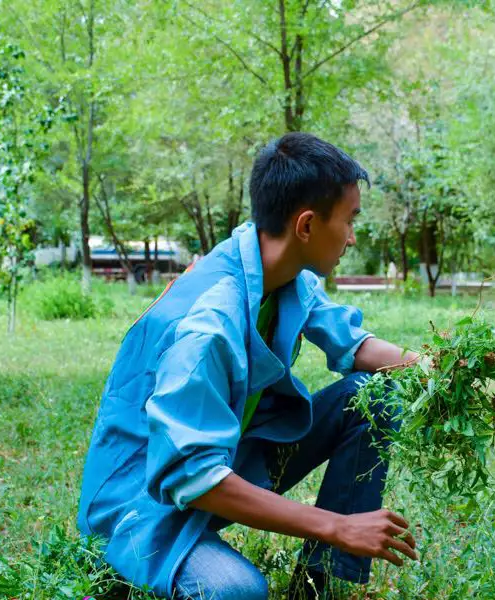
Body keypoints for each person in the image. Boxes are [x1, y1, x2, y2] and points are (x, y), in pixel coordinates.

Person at [77, 133, 419, 600]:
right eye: (350, 220)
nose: (353, 237)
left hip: (228, 456)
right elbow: (191, 479)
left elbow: (354, 346)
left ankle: (321, 583)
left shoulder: (276, 267)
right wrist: (338, 525)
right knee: (236, 591)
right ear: (306, 225)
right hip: (146, 499)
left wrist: (439, 367)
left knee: (375, 393)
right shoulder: (209, 323)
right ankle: (125, 564)